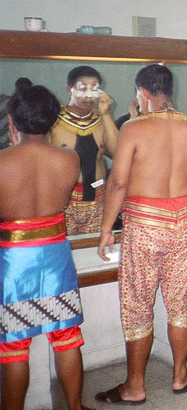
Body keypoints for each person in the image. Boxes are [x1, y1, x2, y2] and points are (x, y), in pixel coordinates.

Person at [95, 64, 187, 404]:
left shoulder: (134, 128)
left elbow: (119, 182)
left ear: (142, 92)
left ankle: (135, 386)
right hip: (183, 220)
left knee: (138, 304)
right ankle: (180, 375)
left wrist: (105, 230)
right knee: (181, 299)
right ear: (169, 90)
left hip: (145, 223)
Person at [0, 79, 90, 410]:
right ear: (53, 121)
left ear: (13, 121)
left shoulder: (2, 163)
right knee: (66, 340)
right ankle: (75, 407)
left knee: (13, 346)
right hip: (56, 256)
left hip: (13, 261)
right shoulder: (69, 161)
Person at [49, 65, 118, 236]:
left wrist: (107, 115)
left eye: (93, 89)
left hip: (98, 198)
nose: (88, 96)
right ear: (69, 89)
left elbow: (117, 152)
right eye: (82, 89)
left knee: (94, 250)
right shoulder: (53, 120)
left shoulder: (102, 120)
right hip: (63, 200)